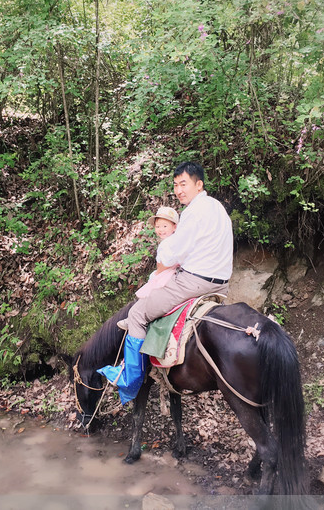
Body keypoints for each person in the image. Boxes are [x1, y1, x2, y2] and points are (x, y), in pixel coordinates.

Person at [98, 161, 234, 403]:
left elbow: (172, 255)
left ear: (198, 184)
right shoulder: (217, 208)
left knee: (138, 313)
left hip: (195, 281)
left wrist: (163, 253)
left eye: (184, 184)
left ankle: (130, 382)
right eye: (175, 185)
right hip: (221, 284)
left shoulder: (193, 212)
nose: (179, 190)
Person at [135, 206, 179, 299]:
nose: (161, 230)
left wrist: (158, 273)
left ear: (174, 227)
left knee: (150, 288)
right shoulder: (175, 240)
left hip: (166, 273)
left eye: (165, 226)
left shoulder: (167, 243)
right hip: (175, 272)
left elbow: (167, 263)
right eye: (157, 226)